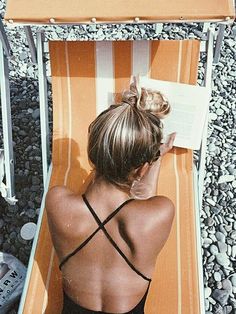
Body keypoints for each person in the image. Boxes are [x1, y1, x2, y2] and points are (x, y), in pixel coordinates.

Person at [46, 78, 176, 314]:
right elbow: (143, 197)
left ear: (93, 153)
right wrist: (155, 160)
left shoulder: (57, 201)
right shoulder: (159, 213)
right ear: (141, 168)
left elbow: (96, 193)